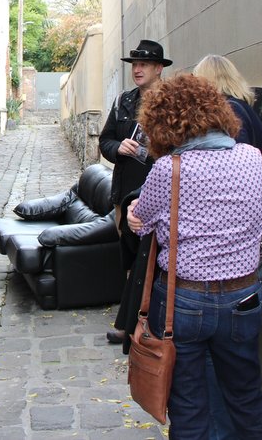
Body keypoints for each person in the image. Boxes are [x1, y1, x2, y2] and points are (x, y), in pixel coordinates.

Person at [127, 74, 262, 440]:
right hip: (243, 297)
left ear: (163, 123)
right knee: (247, 399)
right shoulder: (251, 157)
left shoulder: (168, 170)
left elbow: (141, 222)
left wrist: (135, 212)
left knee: (189, 408)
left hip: (183, 301)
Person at [100, 39, 171, 344]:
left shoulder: (171, 102)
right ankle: (131, 322)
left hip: (158, 192)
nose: (137, 70)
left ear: (158, 68)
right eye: (134, 65)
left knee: (153, 258)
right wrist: (119, 147)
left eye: (143, 65)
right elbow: (104, 143)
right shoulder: (122, 102)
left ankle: (141, 324)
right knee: (129, 259)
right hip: (126, 192)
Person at [193, 54, 262, 277]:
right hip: (256, 234)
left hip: (246, 241)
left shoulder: (231, 114)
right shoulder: (243, 109)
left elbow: (233, 179)